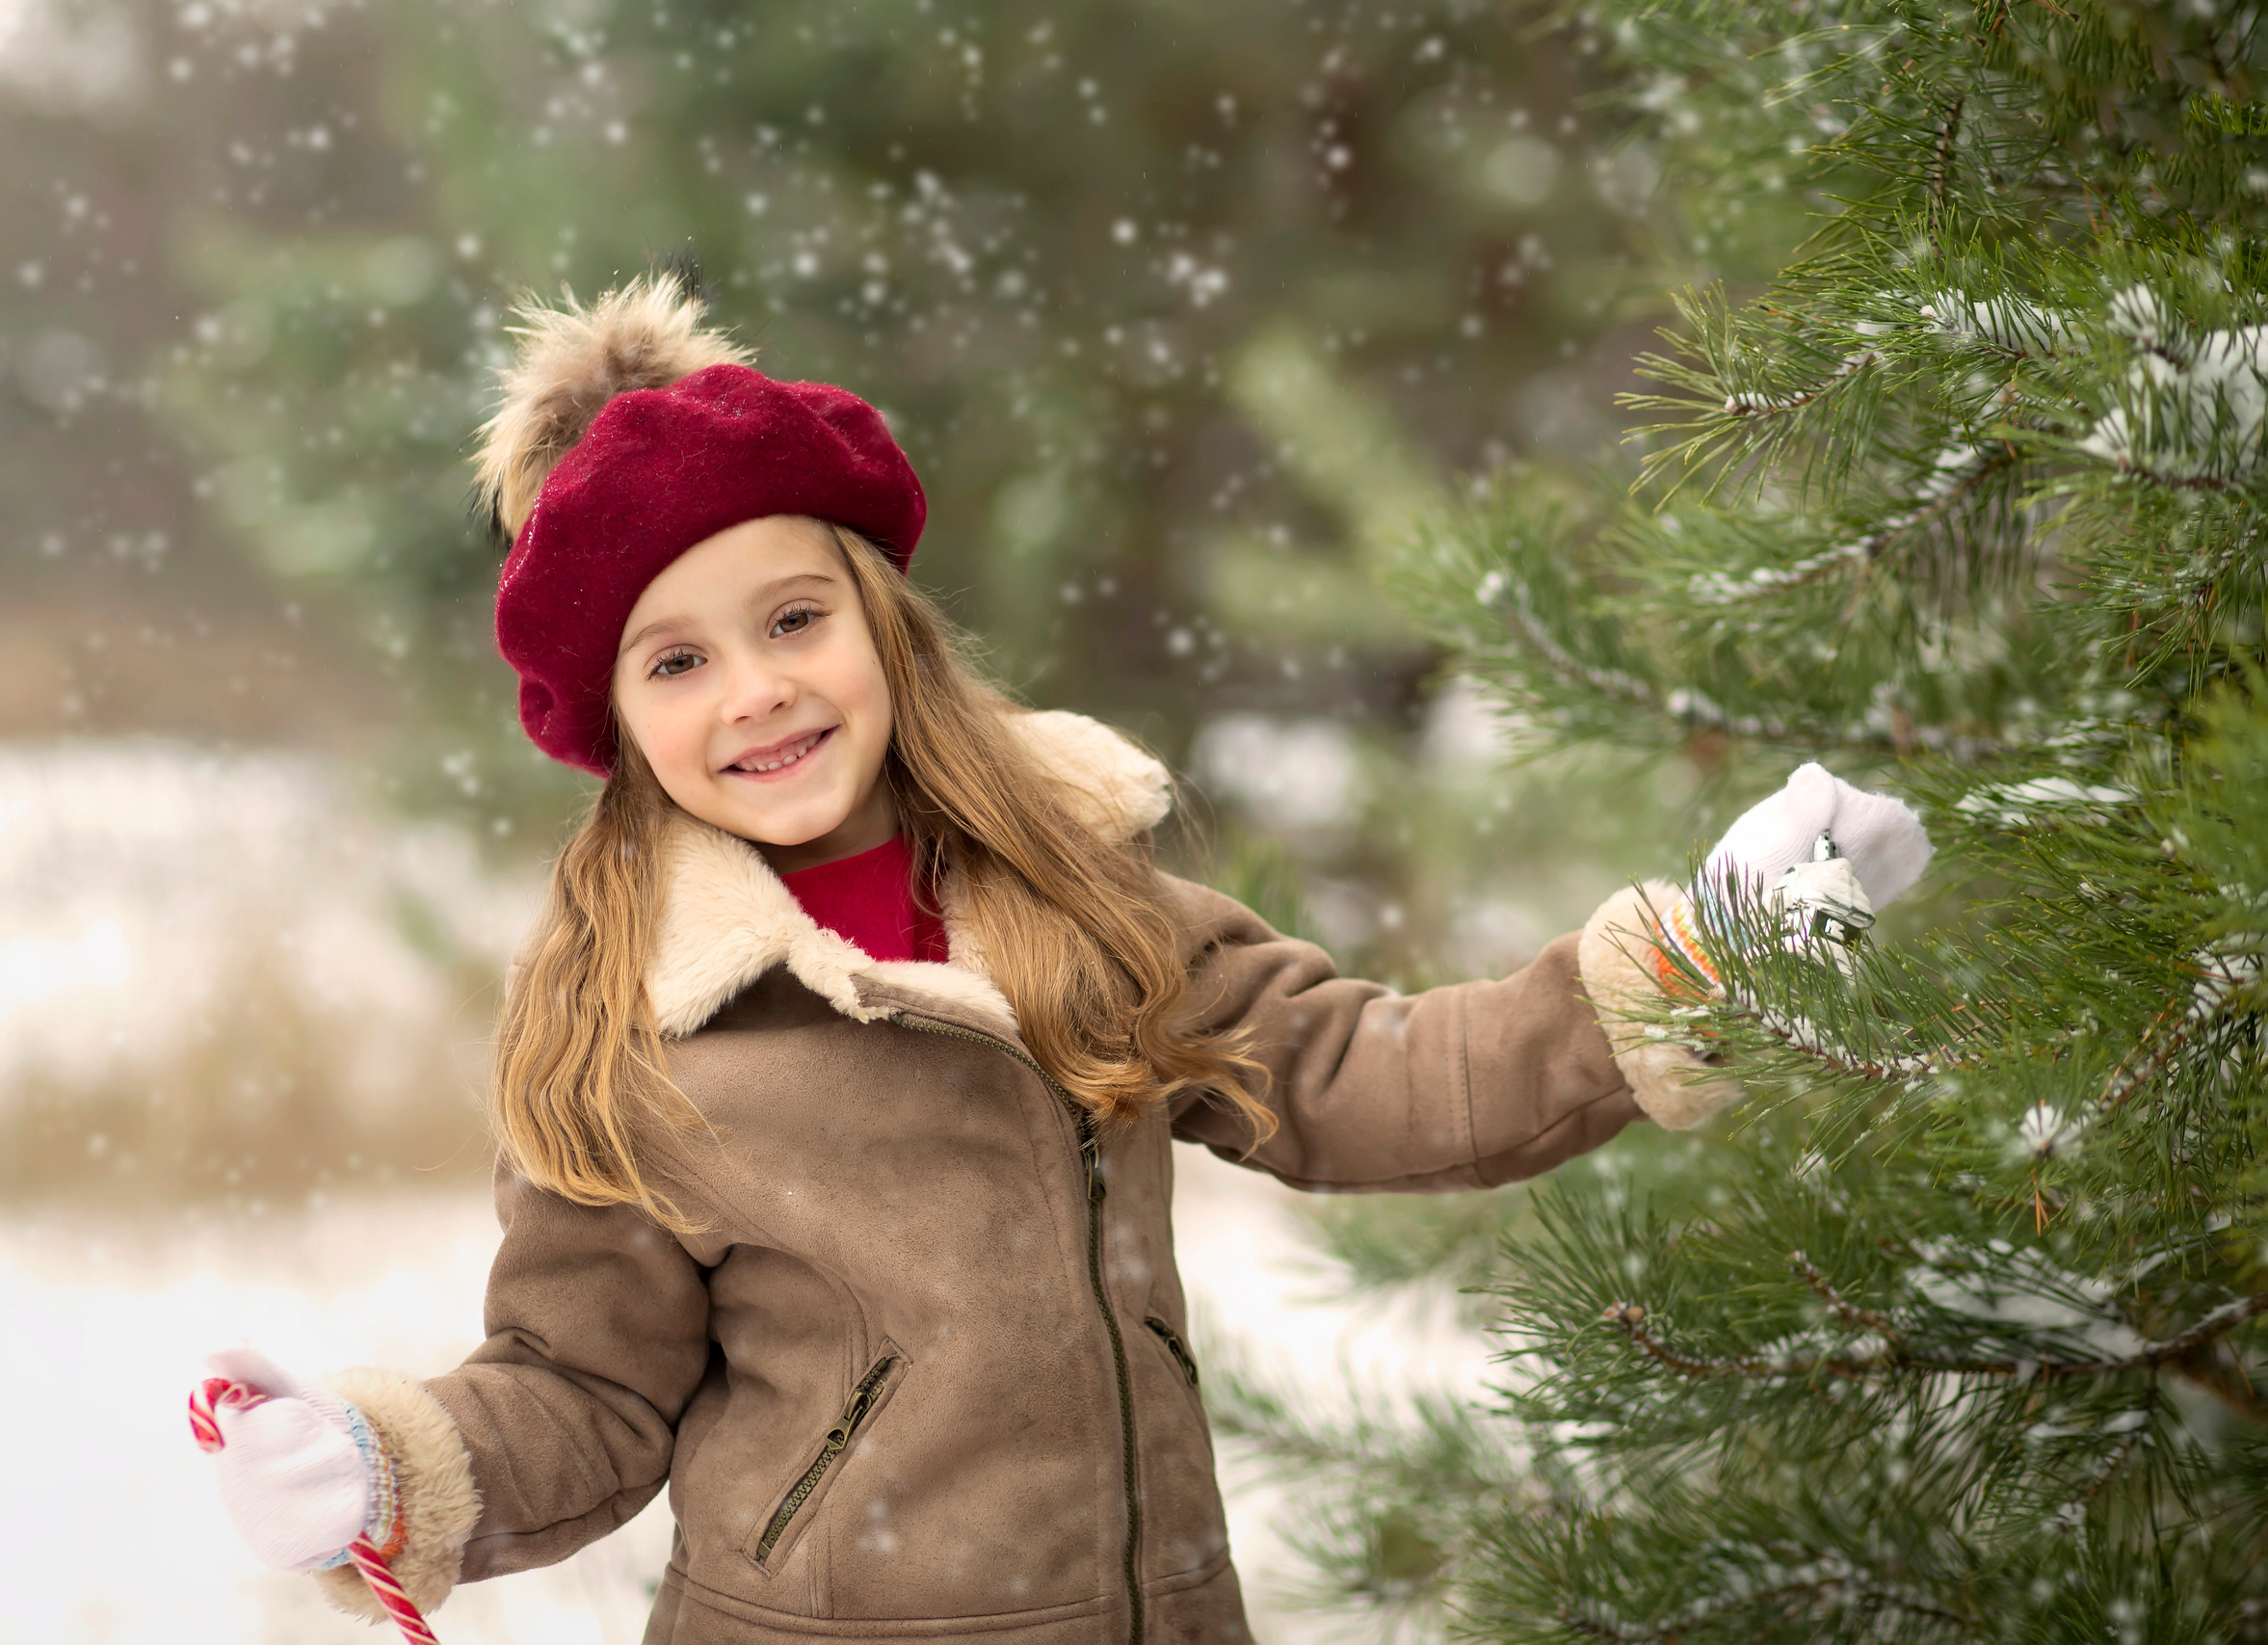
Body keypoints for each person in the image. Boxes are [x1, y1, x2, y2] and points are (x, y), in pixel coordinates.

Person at [191, 273, 1933, 1644]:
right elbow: (581, 1388)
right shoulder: (640, 1029)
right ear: (619, 724)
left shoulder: (1077, 910)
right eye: (678, 663)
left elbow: (1358, 1074)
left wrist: (1704, 955)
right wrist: (392, 1469)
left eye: (795, 620)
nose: (758, 693)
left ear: (883, 626)